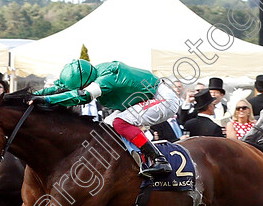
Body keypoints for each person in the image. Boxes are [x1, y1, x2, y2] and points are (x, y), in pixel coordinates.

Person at [31, 59, 181, 176]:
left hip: (162, 98)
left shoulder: (106, 79)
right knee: (104, 129)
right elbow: (60, 87)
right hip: (141, 100)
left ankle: (158, 159)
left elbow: (83, 95)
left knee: (120, 123)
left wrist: (47, 100)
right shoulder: (90, 74)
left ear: (87, 83)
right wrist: (35, 95)